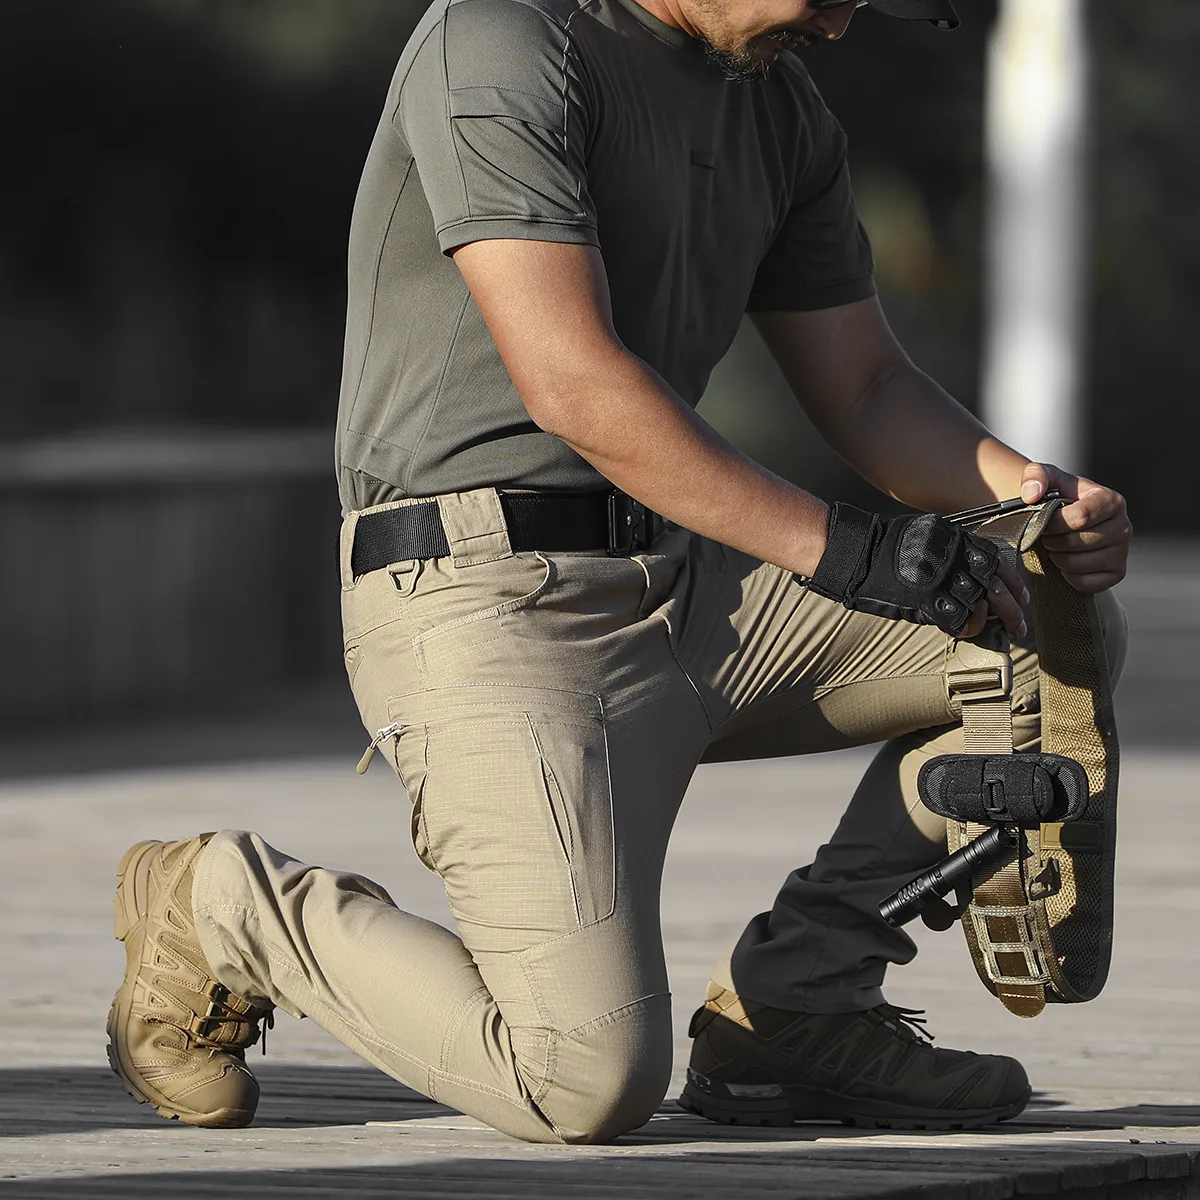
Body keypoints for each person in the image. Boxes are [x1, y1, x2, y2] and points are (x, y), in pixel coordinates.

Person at [106, 0, 1132, 1144]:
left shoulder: (779, 107)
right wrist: (848, 550)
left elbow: (869, 391)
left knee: (1028, 620)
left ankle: (798, 1008)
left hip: (684, 584)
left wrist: (1037, 495)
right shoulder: (503, 37)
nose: (843, 28)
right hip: (483, 597)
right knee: (582, 1081)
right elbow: (572, 382)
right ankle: (224, 905)